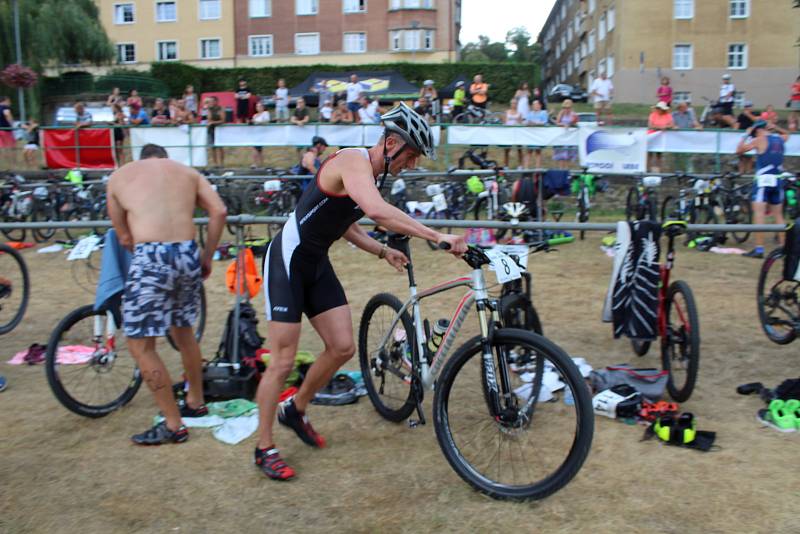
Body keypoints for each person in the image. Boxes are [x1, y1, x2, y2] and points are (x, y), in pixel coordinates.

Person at [254, 103, 466, 480]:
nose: (412, 165)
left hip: (316, 263)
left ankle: (296, 409)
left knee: (342, 348)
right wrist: (437, 236)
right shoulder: (351, 161)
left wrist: (383, 251)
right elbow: (377, 211)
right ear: (389, 144)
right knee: (283, 360)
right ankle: (264, 446)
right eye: (411, 156)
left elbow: (346, 224)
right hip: (287, 262)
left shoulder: (371, 176)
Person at [106, 143, 227, 444]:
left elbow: (123, 236)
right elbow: (219, 211)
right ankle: (196, 402)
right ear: (165, 157)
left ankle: (173, 425)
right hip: (187, 252)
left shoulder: (121, 176)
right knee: (184, 332)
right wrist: (207, 256)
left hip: (150, 253)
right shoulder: (186, 172)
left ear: (142, 159)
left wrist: (149, 260)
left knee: (140, 345)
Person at [737, 120, 790, 258]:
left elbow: (739, 150)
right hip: (777, 179)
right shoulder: (779, 139)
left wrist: (746, 134)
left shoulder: (758, 140)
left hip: (763, 181)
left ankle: (759, 249)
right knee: (778, 215)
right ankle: (784, 248)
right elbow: (787, 134)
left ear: (756, 131)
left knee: (759, 214)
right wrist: (776, 127)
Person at [647, 101, 675, 172]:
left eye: (660, 108)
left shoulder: (668, 115)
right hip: (652, 136)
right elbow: (650, 125)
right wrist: (661, 127)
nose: (659, 110)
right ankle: (648, 169)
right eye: (658, 108)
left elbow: (672, 125)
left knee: (659, 154)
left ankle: (659, 169)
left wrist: (666, 127)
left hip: (661, 137)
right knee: (649, 153)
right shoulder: (653, 115)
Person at [524, 99, 550, 169]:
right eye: (533, 104)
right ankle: (526, 168)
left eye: (535, 104)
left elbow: (545, 122)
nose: (534, 106)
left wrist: (535, 123)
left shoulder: (543, 113)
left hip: (539, 135)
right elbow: (526, 122)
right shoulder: (530, 113)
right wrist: (529, 123)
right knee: (529, 151)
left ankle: (537, 168)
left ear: (539, 105)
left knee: (538, 151)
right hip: (530, 135)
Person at [553, 99, 578, 169]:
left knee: (568, 155)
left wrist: (570, 124)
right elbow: (557, 123)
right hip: (562, 137)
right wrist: (563, 124)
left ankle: (567, 171)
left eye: (568, 107)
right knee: (561, 156)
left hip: (570, 137)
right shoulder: (561, 113)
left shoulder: (573, 114)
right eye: (565, 107)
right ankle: (561, 170)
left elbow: (575, 123)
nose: (567, 109)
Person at [735, 101, 759, 174]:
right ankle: (741, 172)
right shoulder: (741, 116)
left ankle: (748, 171)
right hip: (743, 137)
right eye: (746, 107)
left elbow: (757, 120)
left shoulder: (756, 113)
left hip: (752, 137)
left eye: (749, 107)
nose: (747, 108)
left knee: (750, 156)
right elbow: (737, 125)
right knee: (741, 156)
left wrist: (748, 114)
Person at [503, 98, 523, 168]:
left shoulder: (519, 113)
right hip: (509, 132)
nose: (514, 105)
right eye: (512, 103)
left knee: (519, 149)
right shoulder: (507, 112)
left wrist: (518, 122)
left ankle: (520, 165)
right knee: (507, 149)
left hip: (517, 132)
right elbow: (505, 122)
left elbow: (521, 123)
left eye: (515, 103)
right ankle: (506, 165)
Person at [205, 96, 225, 168]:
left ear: (216, 101)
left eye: (211, 101)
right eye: (209, 101)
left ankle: (221, 163)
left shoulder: (221, 109)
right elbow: (209, 119)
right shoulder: (209, 109)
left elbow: (223, 120)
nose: (210, 103)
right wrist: (211, 122)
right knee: (213, 147)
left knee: (220, 147)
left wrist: (213, 122)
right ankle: (215, 163)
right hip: (212, 129)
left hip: (219, 130)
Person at [250, 101, 271, 169]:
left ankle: (256, 164)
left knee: (257, 149)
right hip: (255, 133)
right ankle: (259, 164)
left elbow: (266, 121)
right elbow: (253, 123)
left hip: (262, 134)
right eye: (257, 106)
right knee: (257, 149)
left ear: (263, 107)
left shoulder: (265, 113)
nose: (258, 108)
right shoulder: (255, 115)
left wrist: (256, 122)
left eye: (260, 106)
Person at [0, 96, 14, 168]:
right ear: (5, 101)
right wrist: (12, 124)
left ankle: (4, 164)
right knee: (9, 147)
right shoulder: (5, 107)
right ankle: (10, 163)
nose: (10, 103)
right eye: (9, 101)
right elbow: (7, 115)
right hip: (6, 130)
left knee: (2, 147)